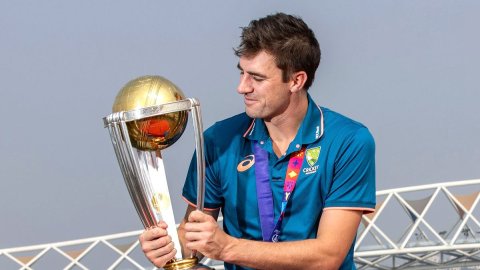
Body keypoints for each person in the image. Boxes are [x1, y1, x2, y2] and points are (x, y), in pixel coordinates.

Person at [140, 12, 376, 270]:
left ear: (296, 81)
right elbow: (193, 239)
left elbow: (328, 256)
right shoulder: (218, 140)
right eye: (242, 73)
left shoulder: (349, 140)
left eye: (257, 78)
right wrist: (170, 248)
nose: (242, 87)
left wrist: (228, 247)